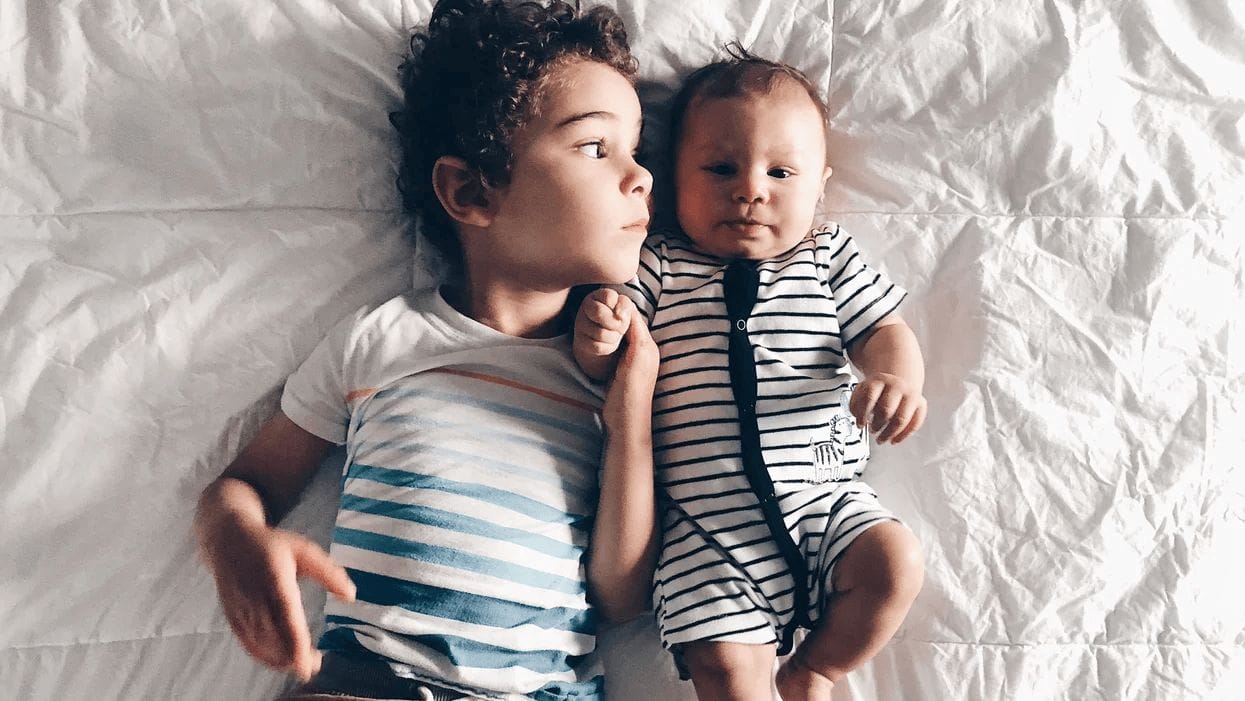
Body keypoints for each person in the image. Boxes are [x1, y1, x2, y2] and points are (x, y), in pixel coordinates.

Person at [194, 1, 659, 699]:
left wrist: (630, 420)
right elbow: (243, 484)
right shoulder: (378, 340)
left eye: (637, 149)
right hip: (371, 679)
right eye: (596, 147)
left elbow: (620, 597)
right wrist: (237, 543)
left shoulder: (611, 374)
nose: (640, 175)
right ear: (471, 190)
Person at [573, 45, 926, 701]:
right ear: (672, 179)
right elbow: (607, 366)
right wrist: (597, 334)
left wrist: (896, 378)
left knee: (894, 564)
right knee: (726, 671)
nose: (750, 188)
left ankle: (814, 667)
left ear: (819, 188)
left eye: (781, 172)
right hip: (707, 529)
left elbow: (884, 330)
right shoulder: (657, 266)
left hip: (824, 501)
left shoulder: (827, 257)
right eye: (719, 167)